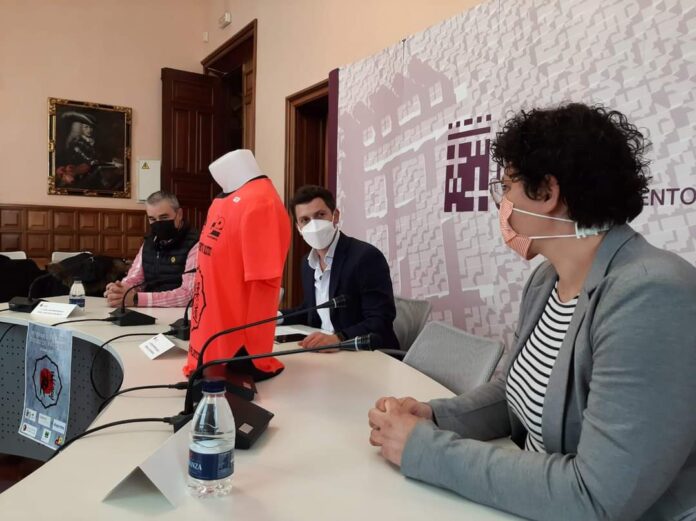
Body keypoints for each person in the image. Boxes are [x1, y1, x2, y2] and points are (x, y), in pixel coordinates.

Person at [367, 103, 696, 521]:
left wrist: (424, 449)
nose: (503, 203)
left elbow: (596, 497)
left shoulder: (651, 295)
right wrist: (435, 417)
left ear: (547, 193)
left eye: (508, 187)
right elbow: (514, 394)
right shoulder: (545, 280)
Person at [183, 149, 290, 379]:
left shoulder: (261, 203)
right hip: (207, 340)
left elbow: (262, 285)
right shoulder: (221, 201)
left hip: (237, 354)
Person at [281, 185, 399, 350]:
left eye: (320, 215)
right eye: (305, 220)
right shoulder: (307, 264)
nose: (313, 225)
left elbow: (380, 320)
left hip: (366, 352)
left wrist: (338, 339)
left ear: (335, 216)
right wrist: (277, 317)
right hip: (326, 352)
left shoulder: (365, 257)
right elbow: (310, 310)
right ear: (298, 227)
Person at [104, 190, 199, 307]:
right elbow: (135, 278)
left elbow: (189, 295)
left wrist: (136, 299)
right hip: (148, 310)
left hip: (180, 313)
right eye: (152, 219)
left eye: (164, 217)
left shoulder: (195, 244)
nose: (158, 224)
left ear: (179, 214)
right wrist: (120, 290)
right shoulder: (149, 242)